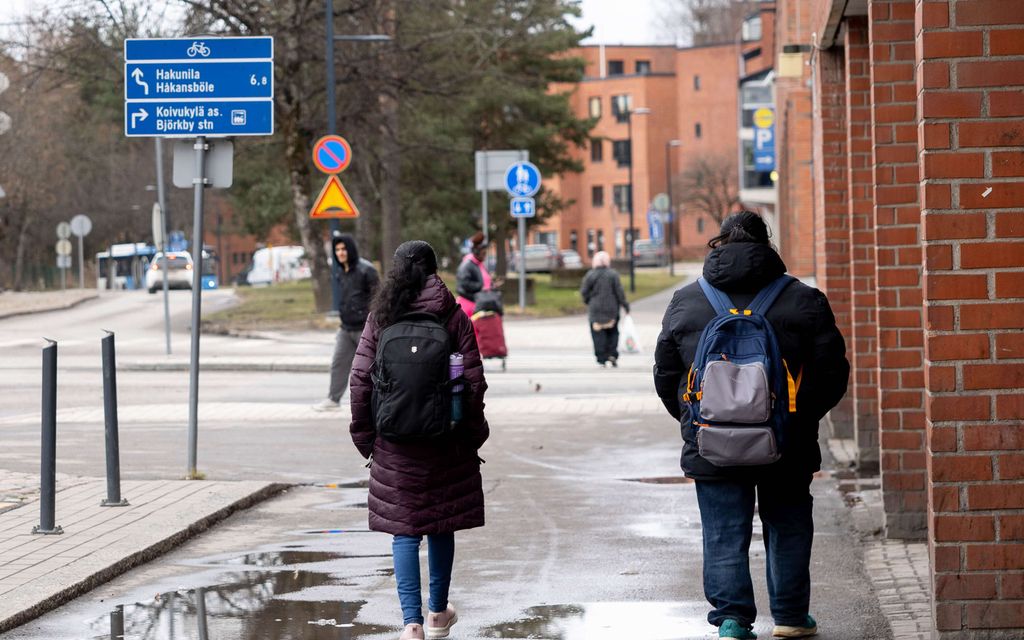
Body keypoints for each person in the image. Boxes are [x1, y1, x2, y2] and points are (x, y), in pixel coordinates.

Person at [653, 212, 849, 640]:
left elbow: (666, 376)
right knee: (788, 525)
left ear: (720, 243)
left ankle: (732, 621)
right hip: (787, 442)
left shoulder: (687, 301)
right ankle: (791, 617)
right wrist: (797, 418)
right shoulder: (804, 299)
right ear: (768, 245)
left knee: (723, 530)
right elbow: (833, 374)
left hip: (712, 441)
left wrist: (699, 421)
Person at [349, 240, 489, 640]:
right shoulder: (453, 315)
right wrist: (472, 435)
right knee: (441, 523)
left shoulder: (381, 316)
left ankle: (411, 624)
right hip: (446, 437)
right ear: (435, 269)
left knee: (405, 530)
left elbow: (359, 380)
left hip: (393, 439)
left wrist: (366, 438)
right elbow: (474, 382)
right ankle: (437, 614)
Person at [313, 233, 379, 411]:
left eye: (343, 249)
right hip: (346, 328)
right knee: (338, 363)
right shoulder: (341, 271)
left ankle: (377, 402)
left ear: (350, 249)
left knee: (370, 367)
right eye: (337, 250)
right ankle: (333, 400)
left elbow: (378, 299)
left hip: (365, 328)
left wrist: (374, 324)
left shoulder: (367, 270)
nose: (340, 253)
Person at [580, 250, 629, 367]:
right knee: (613, 332)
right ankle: (612, 354)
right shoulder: (613, 274)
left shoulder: (590, 275)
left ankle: (601, 358)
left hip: (595, 309)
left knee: (597, 334)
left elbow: (584, 291)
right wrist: (625, 305)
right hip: (611, 309)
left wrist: (588, 301)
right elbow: (619, 292)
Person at [455, 232, 499, 318]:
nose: (485, 256)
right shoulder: (467, 265)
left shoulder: (479, 264)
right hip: (468, 305)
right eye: (483, 253)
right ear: (476, 252)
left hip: (479, 304)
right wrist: (480, 286)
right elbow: (463, 284)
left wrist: (492, 285)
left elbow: (484, 280)